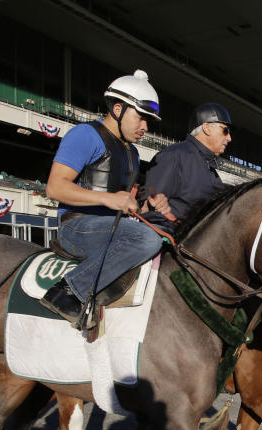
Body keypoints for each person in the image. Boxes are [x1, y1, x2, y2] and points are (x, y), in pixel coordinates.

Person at [40, 69, 170, 326]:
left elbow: (125, 200)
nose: (146, 127)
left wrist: (146, 204)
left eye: (149, 121)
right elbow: (55, 188)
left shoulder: (132, 151)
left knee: (165, 235)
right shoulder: (85, 134)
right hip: (76, 226)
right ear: (118, 108)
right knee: (145, 238)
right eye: (141, 117)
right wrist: (109, 200)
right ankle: (69, 292)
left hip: (113, 228)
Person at [139, 102, 234, 233]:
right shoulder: (174, 155)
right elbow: (152, 211)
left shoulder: (213, 173)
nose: (229, 138)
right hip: (172, 242)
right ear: (207, 128)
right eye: (225, 130)